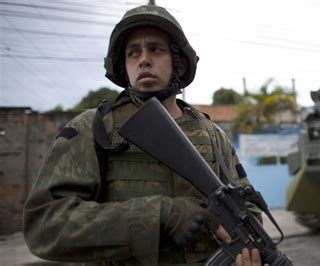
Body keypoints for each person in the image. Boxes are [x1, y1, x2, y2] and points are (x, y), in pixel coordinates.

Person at [23, 4, 266, 266]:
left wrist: (245, 251)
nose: (143, 59)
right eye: (133, 52)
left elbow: (245, 208)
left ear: (178, 63)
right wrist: (160, 214)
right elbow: (46, 226)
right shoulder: (94, 129)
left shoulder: (213, 134)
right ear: (123, 65)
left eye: (156, 49)